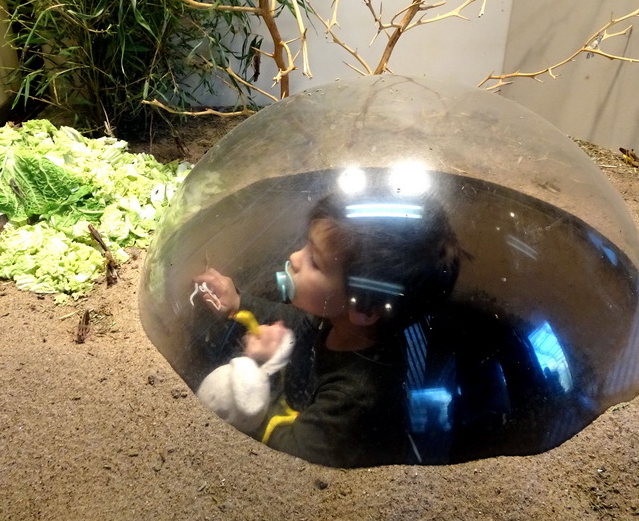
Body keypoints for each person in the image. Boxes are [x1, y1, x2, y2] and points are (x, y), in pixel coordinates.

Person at [194, 192, 463, 468]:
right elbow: (296, 323)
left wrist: (259, 379)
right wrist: (239, 303)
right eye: (305, 247)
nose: (295, 258)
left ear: (364, 309)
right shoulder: (342, 320)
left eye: (315, 261)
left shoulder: (355, 396)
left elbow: (292, 453)